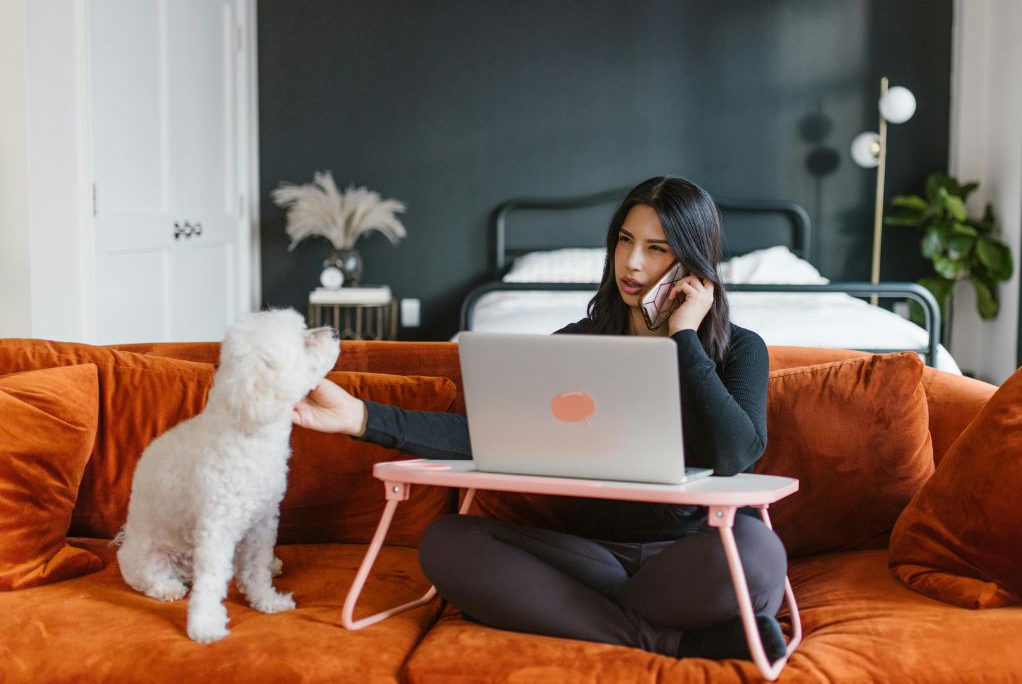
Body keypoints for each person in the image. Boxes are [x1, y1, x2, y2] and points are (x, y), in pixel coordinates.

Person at [293, 176, 789, 662]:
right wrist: (359, 416)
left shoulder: (740, 349)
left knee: (758, 552)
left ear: (693, 264)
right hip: (596, 561)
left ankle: (586, 619)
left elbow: (735, 455)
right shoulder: (576, 346)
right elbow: (485, 434)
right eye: (624, 240)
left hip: (698, 557)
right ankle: (670, 640)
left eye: (656, 249)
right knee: (448, 542)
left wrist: (684, 339)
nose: (632, 263)